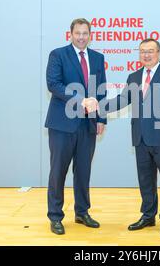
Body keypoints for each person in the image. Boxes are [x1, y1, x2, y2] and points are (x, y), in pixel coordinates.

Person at [98, 38, 160, 237]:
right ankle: (148, 216)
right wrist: (99, 106)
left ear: (159, 52)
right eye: (142, 51)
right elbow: (122, 100)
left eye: (150, 51)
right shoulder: (134, 76)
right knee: (145, 180)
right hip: (140, 138)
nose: (146, 55)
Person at [45, 18, 106, 235]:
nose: (81, 37)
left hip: (87, 124)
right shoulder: (58, 55)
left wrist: (101, 119)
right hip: (62, 125)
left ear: (91, 35)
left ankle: (82, 212)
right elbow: (54, 84)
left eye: (85, 33)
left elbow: (100, 91)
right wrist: (81, 99)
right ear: (70, 34)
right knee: (58, 171)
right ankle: (55, 216)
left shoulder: (98, 58)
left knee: (83, 171)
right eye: (77, 33)